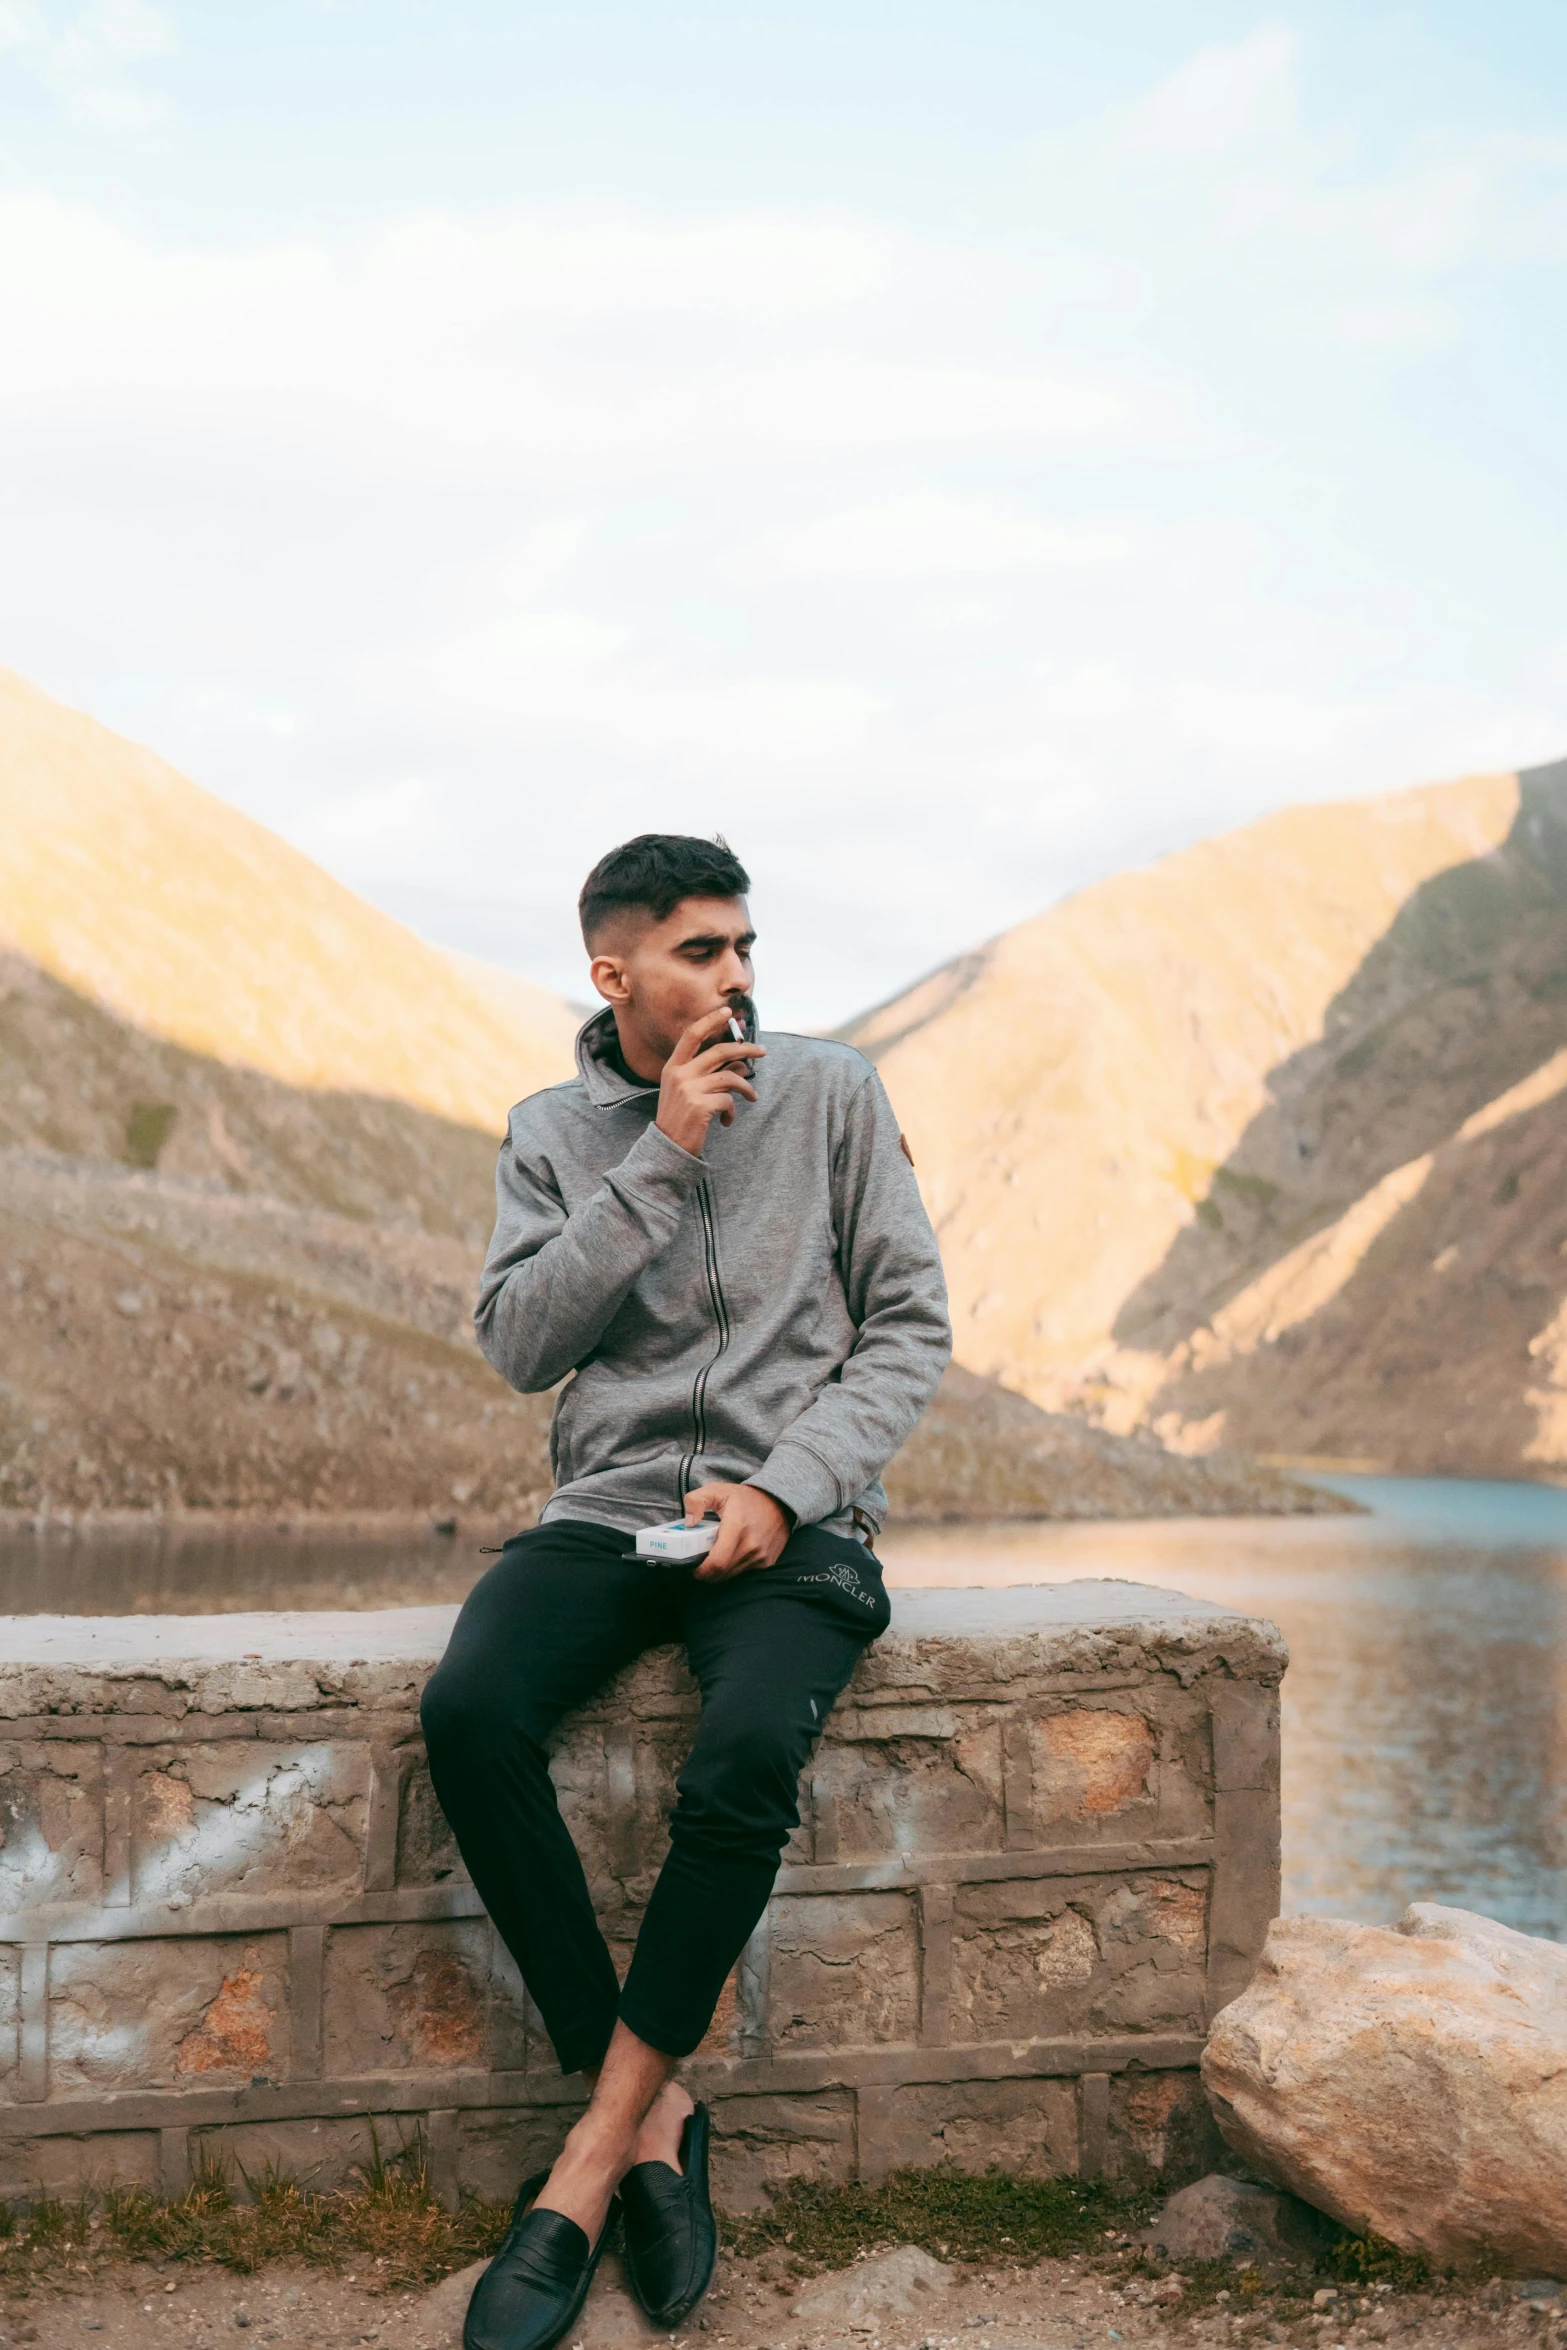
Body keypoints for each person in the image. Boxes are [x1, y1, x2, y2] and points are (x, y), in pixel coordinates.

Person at [420, 833, 951, 2350]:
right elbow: (520, 1342)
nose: (738, 978)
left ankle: (589, 2159)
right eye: (701, 953)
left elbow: (908, 1325)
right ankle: (662, 2121)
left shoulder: (835, 1095)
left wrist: (785, 1488)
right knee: (469, 1710)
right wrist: (659, 1152)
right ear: (614, 975)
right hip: (608, 1513)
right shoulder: (549, 1131)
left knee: (738, 1762)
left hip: (796, 1518)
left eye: (743, 946)